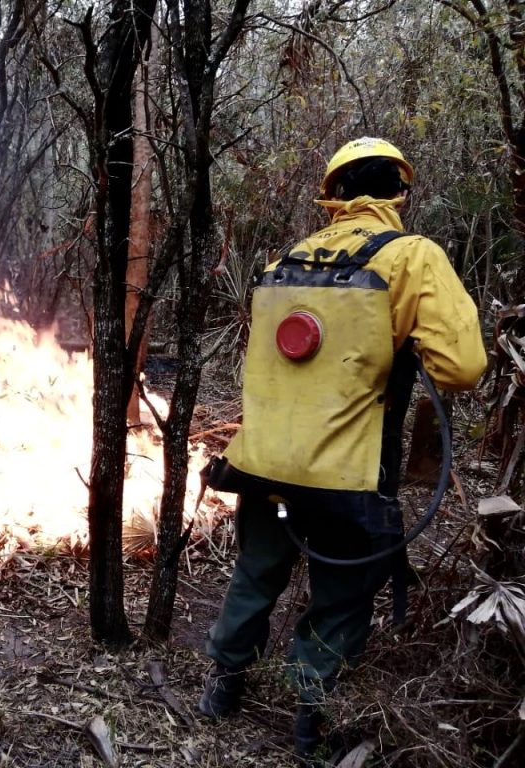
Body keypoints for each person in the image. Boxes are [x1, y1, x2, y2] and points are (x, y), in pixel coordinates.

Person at [198, 138, 487, 762]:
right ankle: (311, 717)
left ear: (330, 195)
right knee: (343, 593)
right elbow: (463, 367)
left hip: (261, 463)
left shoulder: (284, 260)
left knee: (257, 570)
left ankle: (223, 686)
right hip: (347, 472)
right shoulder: (411, 256)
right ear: (400, 194)